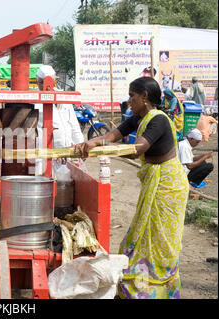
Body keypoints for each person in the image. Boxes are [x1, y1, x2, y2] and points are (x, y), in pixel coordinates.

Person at [75, 77, 189, 299]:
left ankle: (158, 289)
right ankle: (137, 287)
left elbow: (138, 149)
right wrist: (93, 142)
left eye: (132, 96)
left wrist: (104, 147)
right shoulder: (138, 117)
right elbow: (112, 134)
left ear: (144, 96)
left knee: (161, 239)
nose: (129, 101)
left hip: (168, 186)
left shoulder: (159, 120)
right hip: (154, 183)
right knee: (142, 234)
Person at [35, 65, 84, 175]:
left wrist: (80, 146)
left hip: (68, 155)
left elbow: (74, 126)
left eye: (47, 82)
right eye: (40, 82)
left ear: (54, 80)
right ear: (36, 80)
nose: (44, 86)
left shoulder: (63, 98)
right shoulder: (34, 101)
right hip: (45, 156)